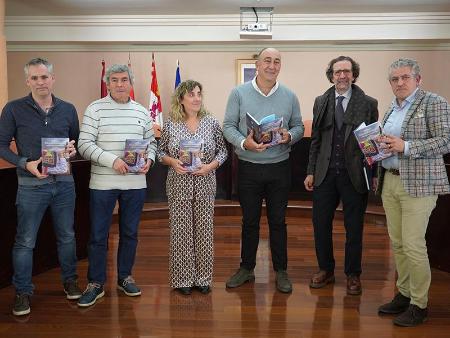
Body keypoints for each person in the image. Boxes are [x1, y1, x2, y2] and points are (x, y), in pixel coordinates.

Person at [0, 57, 81, 316]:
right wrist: (25, 163)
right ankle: (23, 292)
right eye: (34, 78)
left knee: (67, 237)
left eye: (44, 76)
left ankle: (70, 282)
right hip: (30, 186)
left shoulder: (68, 109)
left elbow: (75, 142)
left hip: (64, 183)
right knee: (25, 241)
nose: (40, 81)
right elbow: (1, 145)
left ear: (52, 79)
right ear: (28, 81)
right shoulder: (13, 109)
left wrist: (71, 149)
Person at [376, 58, 450, 327]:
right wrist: (378, 147)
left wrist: (405, 146)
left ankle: (419, 304)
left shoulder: (434, 102)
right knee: (397, 244)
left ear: (417, 79)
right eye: (394, 79)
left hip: (420, 185)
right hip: (391, 181)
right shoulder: (390, 108)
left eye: (405, 77)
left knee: (414, 245)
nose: (399, 83)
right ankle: (404, 295)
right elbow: (391, 142)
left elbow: (446, 140)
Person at [223, 47, 304, 293]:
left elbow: (299, 126)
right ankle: (246, 268)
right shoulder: (238, 93)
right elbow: (228, 126)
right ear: (257, 65)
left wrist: (288, 136)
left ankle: (281, 271)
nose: (272, 65)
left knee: (278, 222)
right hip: (248, 167)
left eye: (277, 61)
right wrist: (243, 142)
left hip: (279, 168)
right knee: (250, 222)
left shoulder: (290, 96)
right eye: (267, 60)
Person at [77, 64, 156, 307]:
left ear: (131, 83)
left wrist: (150, 160)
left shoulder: (142, 112)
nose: (120, 84)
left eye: (124, 80)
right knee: (99, 235)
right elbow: (84, 145)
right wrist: (114, 161)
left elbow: (151, 143)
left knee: (130, 234)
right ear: (108, 83)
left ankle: (125, 277)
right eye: (114, 80)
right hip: (102, 182)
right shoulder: (95, 109)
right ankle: (96, 283)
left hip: (135, 183)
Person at [304, 56, 378, 295]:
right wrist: (310, 171)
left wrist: (374, 173)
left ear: (353, 75)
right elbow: (316, 140)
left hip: (354, 174)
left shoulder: (368, 102)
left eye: (347, 71)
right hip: (325, 174)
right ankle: (325, 269)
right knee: (320, 225)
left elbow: (372, 142)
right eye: (338, 72)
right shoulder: (321, 101)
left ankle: (353, 274)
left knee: (354, 227)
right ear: (332, 76)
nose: (342, 76)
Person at [158, 80, 228, 295]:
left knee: (204, 231)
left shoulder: (212, 122)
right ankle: (183, 279)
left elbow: (223, 152)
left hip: (206, 184)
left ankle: (203, 278)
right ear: (181, 99)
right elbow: (160, 153)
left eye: (199, 93)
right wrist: (172, 162)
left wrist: (209, 167)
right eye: (191, 94)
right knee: (181, 232)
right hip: (178, 184)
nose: (197, 98)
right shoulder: (170, 124)